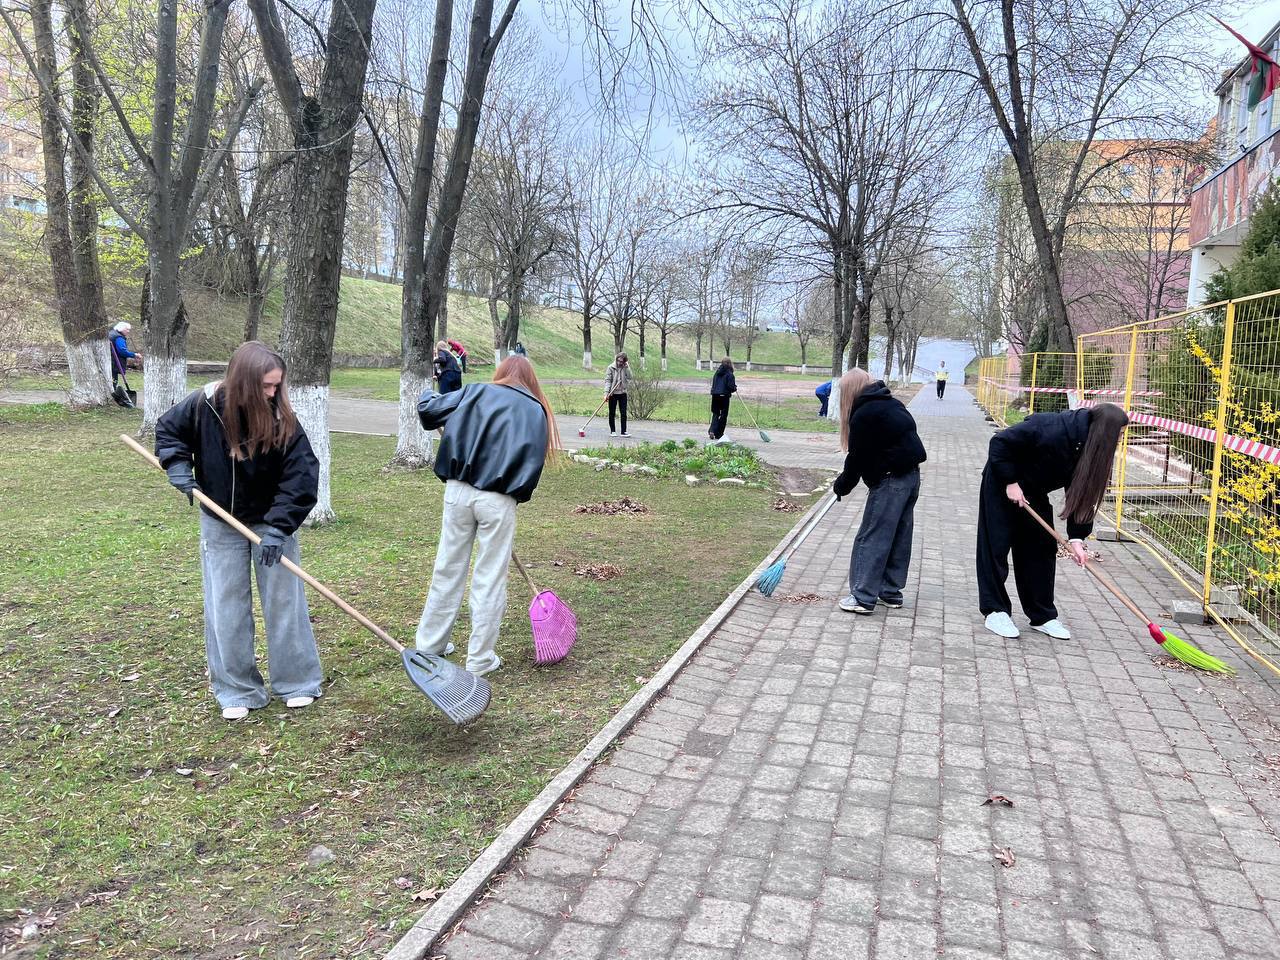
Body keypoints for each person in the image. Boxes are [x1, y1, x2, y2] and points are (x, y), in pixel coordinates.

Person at [154, 341, 323, 721]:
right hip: (221, 521)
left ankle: (296, 682)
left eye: (277, 385)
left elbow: (301, 478)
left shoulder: (283, 419)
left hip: (271, 522)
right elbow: (168, 431)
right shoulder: (205, 404)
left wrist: (279, 529)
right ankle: (237, 689)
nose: (273, 393)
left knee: (284, 600)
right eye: (265, 386)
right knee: (226, 604)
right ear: (243, 382)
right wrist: (177, 465)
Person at [415, 355, 561, 676]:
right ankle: (480, 659)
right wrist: (510, 499)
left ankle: (430, 646)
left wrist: (428, 391)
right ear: (530, 379)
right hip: (499, 500)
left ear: (502, 373)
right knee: (490, 577)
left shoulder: (476, 391)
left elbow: (428, 411)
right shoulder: (537, 411)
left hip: (458, 492)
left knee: (447, 568)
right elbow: (531, 466)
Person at [977, 402, 1129, 641]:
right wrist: (1010, 482)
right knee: (995, 547)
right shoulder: (1052, 428)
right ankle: (995, 611)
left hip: (1034, 491)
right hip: (1002, 484)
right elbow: (1000, 443)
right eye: (1119, 433)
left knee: (1041, 549)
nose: (1120, 439)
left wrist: (1077, 538)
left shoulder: (1090, 448)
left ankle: (1042, 615)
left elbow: (1081, 493)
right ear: (1105, 430)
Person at [831, 369, 927, 615]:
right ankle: (890, 592)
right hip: (911, 477)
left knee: (872, 537)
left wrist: (842, 485)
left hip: (890, 482)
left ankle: (862, 596)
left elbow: (856, 459)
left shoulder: (864, 414)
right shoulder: (891, 403)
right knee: (898, 535)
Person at [604, 352, 633, 437]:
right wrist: (606, 393)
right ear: (616, 359)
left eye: (622, 361)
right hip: (613, 394)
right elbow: (608, 381)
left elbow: (630, 377)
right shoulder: (610, 368)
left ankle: (623, 431)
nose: (620, 363)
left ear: (625, 361)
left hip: (622, 393)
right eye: (618, 361)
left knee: (623, 413)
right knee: (612, 412)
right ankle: (612, 431)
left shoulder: (625, 367)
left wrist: (627, 368)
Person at [709, 357, 736, 441]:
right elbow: (731, 387)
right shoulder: (730, 374)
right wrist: (734, 388)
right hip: (724, 396)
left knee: (716, 413)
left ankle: (712, 430)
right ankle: (719, 433)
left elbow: (714, 384)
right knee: (723, 415)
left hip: (715, 395)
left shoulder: (717, 372)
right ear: (729, 364)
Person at [108, 321, 142, 386]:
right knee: (113, 383)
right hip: (113, 363)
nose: (128, 331)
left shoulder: (112, 333)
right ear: (121, 328)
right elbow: (122, 351)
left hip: (109, 362)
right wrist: (134, 355)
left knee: (111, 381)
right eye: (127, 329)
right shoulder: (119, 337)